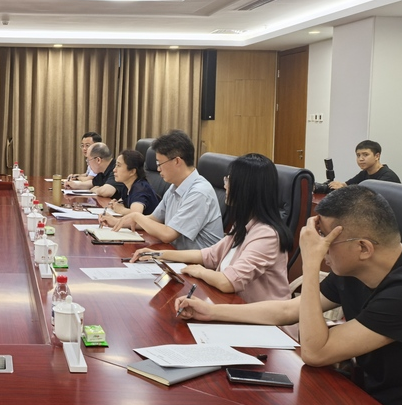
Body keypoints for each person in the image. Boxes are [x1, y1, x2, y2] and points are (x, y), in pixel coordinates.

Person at [175, 185, 402, 405]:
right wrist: (211, 312)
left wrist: (311, 264)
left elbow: (316, 352)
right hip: (366, 398)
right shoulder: (357, 268)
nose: (320, 247)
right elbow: (288, 310)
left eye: (325, 239)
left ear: (364, 248)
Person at [131, 153, 291, 303]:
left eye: (229, 180)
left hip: (260, 318)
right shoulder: (245, 224)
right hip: (231, 305)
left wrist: (199, 271)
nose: (225, 186)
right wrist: (158, 255)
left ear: (246, 189)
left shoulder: (267, 235)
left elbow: (228, 282)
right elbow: (210, 255)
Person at [106, 129, 223, 250]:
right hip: (174, 252)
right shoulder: (175, 187)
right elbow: (153, 220)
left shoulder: (199, 192)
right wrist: (118, 222)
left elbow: (168, 234)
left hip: (195, 260)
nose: (158, 169)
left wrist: (136, 216)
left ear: (177, 161)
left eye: (160, 163)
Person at [329, 139, 401, 190]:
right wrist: (338, 185)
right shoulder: (364, 173)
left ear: (377, 156)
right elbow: (346, 185)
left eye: (365, 155)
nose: (360, 159)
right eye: (358, 155)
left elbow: (370, 198)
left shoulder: (388, 177)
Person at [106, 149, 159, 216]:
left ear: (132, 172)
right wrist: (116, 204)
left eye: (118, 166)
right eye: (115, 165)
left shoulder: (140, 188)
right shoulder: (127, 186)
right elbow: (123, 202)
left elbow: (136, 214)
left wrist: (121, 209)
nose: (114, 170)